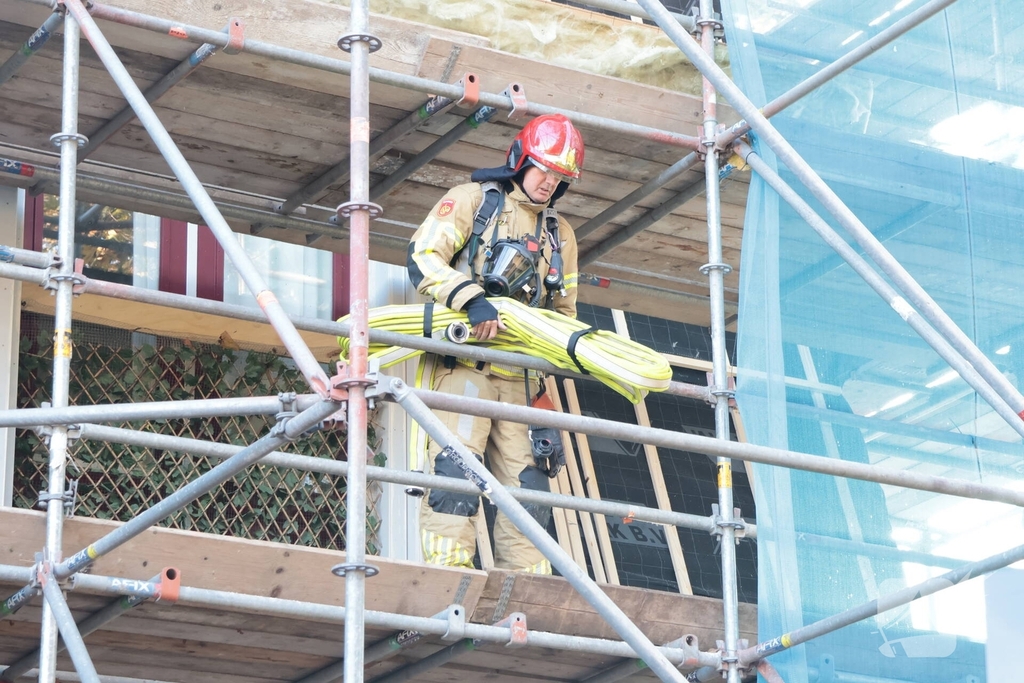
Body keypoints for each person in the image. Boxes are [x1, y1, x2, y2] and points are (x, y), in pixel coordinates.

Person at [406, 113, 584, 573]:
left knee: (528, 491)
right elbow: (424, 256)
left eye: (560, 177)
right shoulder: (472, 202)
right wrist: (471, 300)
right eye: (543, 169)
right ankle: (448, 578)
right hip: (468, 367)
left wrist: (560, 350)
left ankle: (528, 587)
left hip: (524, 383)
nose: (549, 182)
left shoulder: (559, 235)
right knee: (456, 472)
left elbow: (565, 313)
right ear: (521, 159)